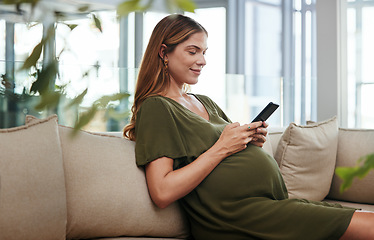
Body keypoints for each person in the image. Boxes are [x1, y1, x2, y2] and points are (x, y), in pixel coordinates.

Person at [123, 14, 374, 240]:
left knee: (365, 219)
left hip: (268, 205)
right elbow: (162, 192)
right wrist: (223, 147)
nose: (202, 60)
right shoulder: (156, 108)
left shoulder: (204, 101)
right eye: (192, 51)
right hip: (235, 217)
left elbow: (225, 150)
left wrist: (248, 142)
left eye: (204, 52)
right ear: (164, 53)